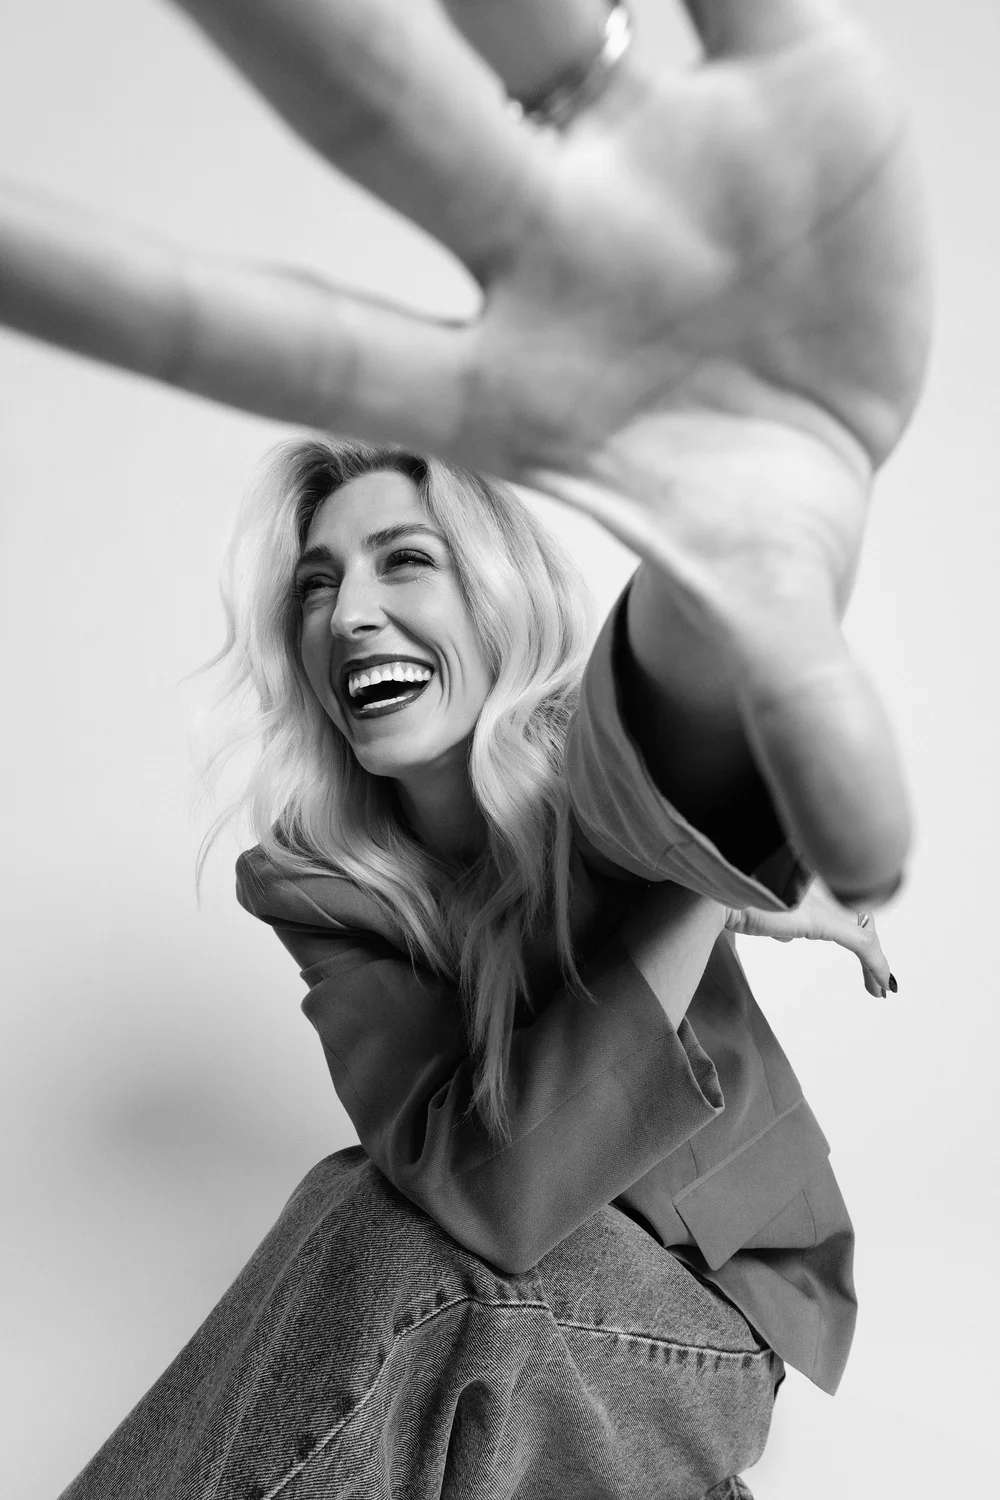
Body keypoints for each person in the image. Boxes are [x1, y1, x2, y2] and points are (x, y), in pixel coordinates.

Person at [0, 0, 925, 1494]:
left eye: (405, 561)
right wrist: (719, 897)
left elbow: (670, 750)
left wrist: (708, 826)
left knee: (398, 1244)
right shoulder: (313, 883)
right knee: (370, 1211)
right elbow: (475, 1181)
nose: (352, 612)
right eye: (318, 583)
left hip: (714, 1311)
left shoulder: (587, 768)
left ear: (490, 595)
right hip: (513, 1309)